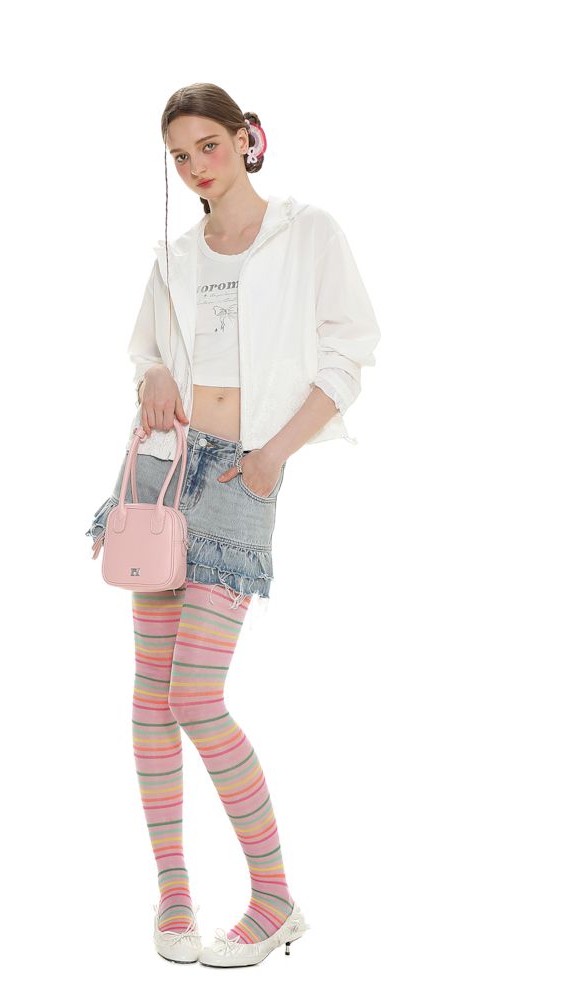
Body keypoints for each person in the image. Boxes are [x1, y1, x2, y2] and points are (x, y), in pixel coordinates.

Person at [85, 82, 381, 967]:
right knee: (152, 694)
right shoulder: (175, 256)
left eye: (207, 146)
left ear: (247, 138)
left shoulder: (307, 232)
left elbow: (351, 350)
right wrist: (151, 376)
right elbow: (147, 350)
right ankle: (174, 894)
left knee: (195, 696)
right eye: (179, 156)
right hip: (164, 467)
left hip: (243, 473)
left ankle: (275, 897)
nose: (195, 167)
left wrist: (273, 456)